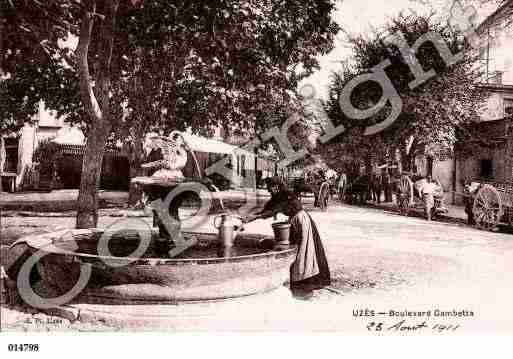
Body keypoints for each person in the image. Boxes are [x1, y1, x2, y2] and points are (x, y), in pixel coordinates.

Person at [243, 176, 331, 299]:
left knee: (303, 253)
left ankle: (305, 285)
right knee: (298, 253)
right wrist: (251, 216)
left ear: (276, 187)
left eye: (270, 188)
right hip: (294, 221)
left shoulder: (286, 195)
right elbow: (267, 209)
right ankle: (299, 283)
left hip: (301, 221)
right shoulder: (278, 196)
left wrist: (255, 217)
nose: (269, 191)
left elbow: (274, 211)